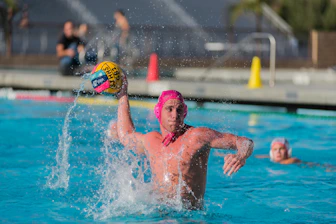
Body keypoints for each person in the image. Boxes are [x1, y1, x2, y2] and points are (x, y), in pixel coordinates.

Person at [114, 74, 254, 209]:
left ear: (184, 113)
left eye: (179, 110)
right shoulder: (151, 140)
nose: (175, 115)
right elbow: (126, 136)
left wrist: (241, 155)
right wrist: (122, 95)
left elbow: (244, 141)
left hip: (189, 216)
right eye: (169, 109)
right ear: (158, 112)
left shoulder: (196, 137)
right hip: (157, 213)